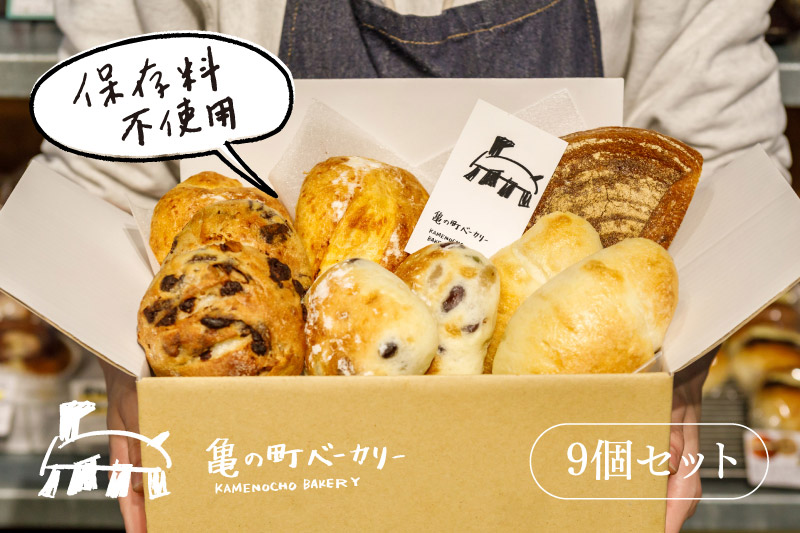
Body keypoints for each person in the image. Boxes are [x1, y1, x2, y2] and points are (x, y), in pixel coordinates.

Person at [39, 1, 791, 531]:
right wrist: (124, 362)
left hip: (557, 457)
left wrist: (681, 359)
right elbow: (107, 163)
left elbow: (717, 156)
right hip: (264, 461)